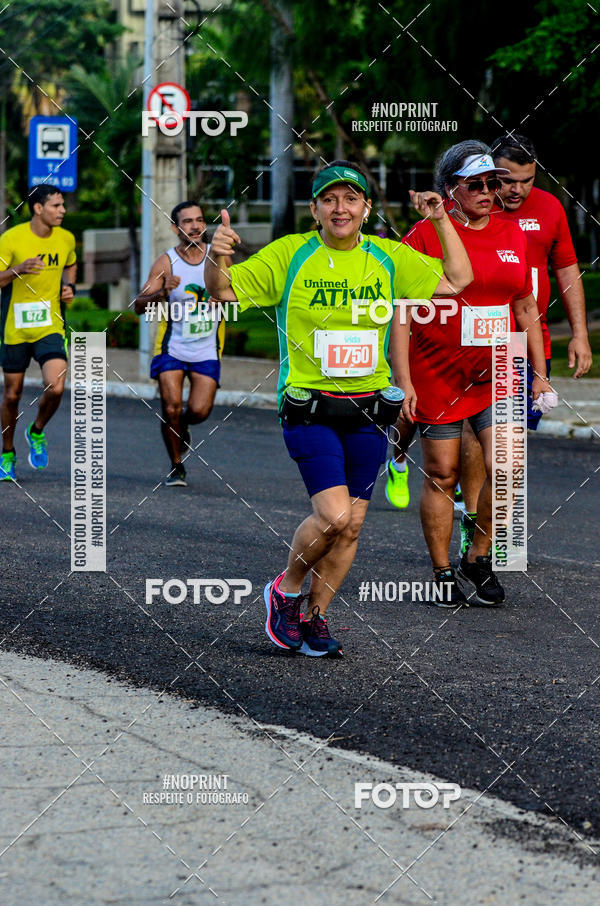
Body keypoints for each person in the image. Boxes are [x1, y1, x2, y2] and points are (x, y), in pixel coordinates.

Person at [205, 160, 472, 656]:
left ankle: (316, 618)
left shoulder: (388, 258)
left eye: (350, 199)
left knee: (352, 526)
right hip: (311, 407)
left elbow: (458, 279)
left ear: (366, 209)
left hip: (370, 411)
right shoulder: (291, 255)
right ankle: (285, 591)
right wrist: (216, 256)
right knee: (332, 516)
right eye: (330, 199)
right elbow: (222, 290)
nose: (340, 207)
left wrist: (441, 220)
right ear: (315, 210)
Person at [390, 141, 553, 607]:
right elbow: (401, 313)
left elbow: (524, 306)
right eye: (475, 184)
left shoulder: (511, 232)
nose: (488, 191)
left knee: (508, 469)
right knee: (442, 472)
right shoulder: (424, 234)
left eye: (492, 183)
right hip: (437, 369)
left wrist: (539, 373)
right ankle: (442, 571)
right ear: (450, 190)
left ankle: (477, 557)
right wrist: (404, 382)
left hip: (499, 364)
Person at [457, 134, 593, 555]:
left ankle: (491, 531)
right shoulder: (469, 203)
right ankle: (477, 529)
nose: (515, 190)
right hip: (473, 339)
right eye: (506, 179)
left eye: (527, 180)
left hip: (527, 341)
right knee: (476, 440)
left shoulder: (550, 208)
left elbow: (568, 270)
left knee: (508, 445)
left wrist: (581, 334)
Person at [134, 201, 226, 487]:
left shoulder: (217, 256)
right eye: (187, 222)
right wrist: (162, 291)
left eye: (200, 220)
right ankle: (176, 466)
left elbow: (232, 294)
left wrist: (222, 298)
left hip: (207, 348)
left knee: (199, 411)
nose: (196, 226)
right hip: (172, 348)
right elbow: (138, 306)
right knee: (171, 406)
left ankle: (181, 426)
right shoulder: (166, 262)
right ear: (176, 228)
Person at [0, 186, 76, 481]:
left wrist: (69, 288)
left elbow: (71, 263)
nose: (63, 210)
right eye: (56, 205)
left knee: (55, 387)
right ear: (38, 208)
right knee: (12, 395)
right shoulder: (11, 239)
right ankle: (7, 453)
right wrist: (18, 269)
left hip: (50, 326)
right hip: (14, 328)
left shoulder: (66, 238)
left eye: (63, 205)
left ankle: (37, 431)